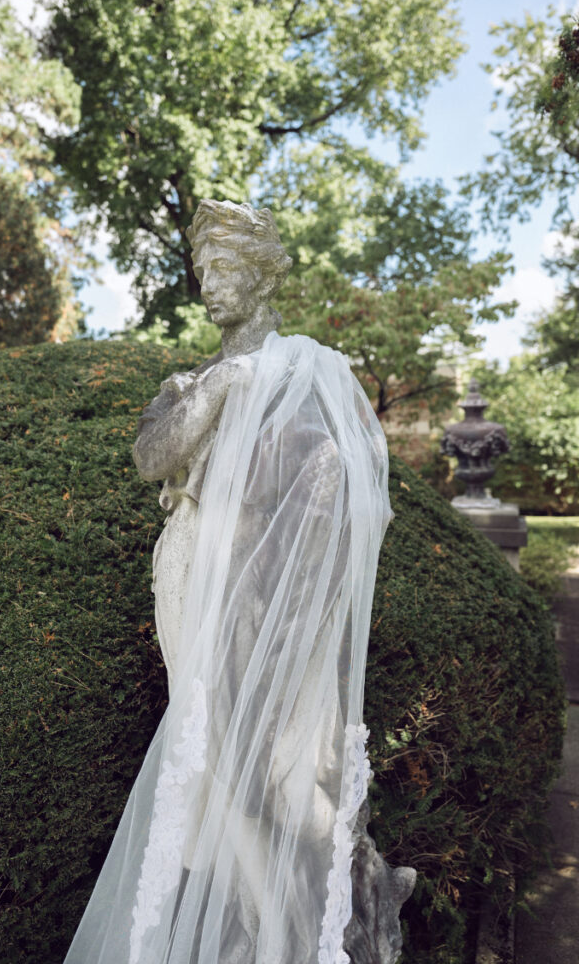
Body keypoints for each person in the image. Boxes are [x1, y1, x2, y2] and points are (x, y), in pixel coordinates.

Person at [63, 199, 394, 964]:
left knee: (277, 760)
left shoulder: (310, 372)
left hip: (277, 584)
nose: (209, 284)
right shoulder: (195, 379)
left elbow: (345, 483)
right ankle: (260, 927)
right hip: (190, 577)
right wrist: (217, 391)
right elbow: (150, 456)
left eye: (223, 268)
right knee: (212, 748)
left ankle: (318, 915)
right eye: (202, 270)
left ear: (262, 275)